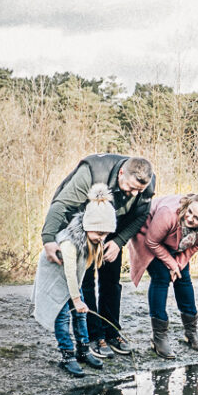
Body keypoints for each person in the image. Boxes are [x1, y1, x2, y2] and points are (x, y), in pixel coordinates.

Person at [41, 153, 156, 359]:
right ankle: (95, 336)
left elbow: (141, 216)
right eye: (130, 188)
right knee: (85, 281)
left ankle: (111, 332)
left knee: (111, 280)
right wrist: (48, 238)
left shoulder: (146, 184)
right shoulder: (92, 171)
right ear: (121, 173)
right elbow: (61, 205)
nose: (133, 194)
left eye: (138, 190)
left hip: (113, 227)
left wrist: (119, 241)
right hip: (83, 225)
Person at [32, 184, 115, 377]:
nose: (101, 238)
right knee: (63, 316)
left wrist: (79, 298)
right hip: (55, 277)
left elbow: (82, 271)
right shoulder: (69, 243)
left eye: (105, 234)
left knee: (81, 314)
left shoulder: (92, 241)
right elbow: (70, 272)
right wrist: (76, 299)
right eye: (98, 233)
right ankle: (67, 356)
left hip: (70, 280)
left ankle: (83, 350)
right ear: (87, 226)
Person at [128, 193, 198, 358]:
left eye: (197, 218)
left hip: (177, 244)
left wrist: (178, 265)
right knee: (161, 277)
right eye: (190, 212)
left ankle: (191, 332)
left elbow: (192, 248)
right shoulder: (168, 213)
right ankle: (159, 337)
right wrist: (170, 264)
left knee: (183, 277)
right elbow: (151, 241)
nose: (190, 218)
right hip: (148, 236)